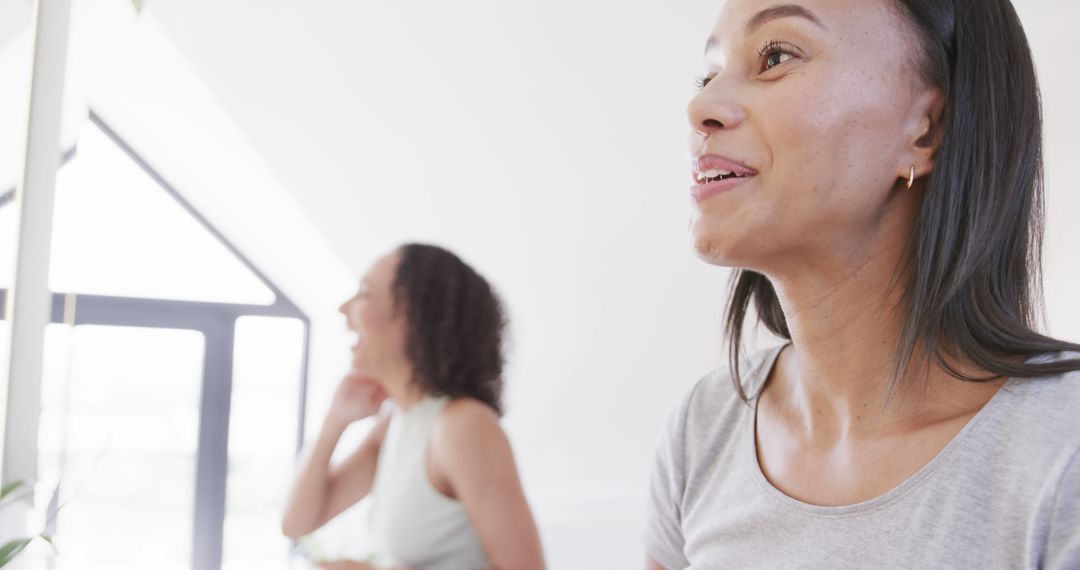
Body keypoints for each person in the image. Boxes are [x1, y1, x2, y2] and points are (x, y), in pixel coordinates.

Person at [647, 0, 1080, 568]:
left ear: (928, 130)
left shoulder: (1063, 449)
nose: (700, 106)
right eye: (708, 74)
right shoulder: (703, 431)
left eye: (776, 56)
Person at [282, 243, 545, 570]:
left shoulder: (462, 425)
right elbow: (297, 523)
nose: (344, 308)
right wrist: (334, 422)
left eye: (365, 291)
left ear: (418, 313)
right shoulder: (396, 422)